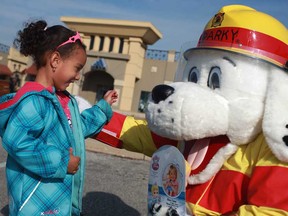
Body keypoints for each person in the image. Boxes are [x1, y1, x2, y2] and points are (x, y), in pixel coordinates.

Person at [0, 19, 118, 216]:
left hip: (56, 202)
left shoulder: (63, 100)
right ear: (55, 60)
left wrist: (102, 108)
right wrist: (62, 162)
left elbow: (77, 127)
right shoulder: (34, 102)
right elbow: (19, 143)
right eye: (77, 68)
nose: (78, 76)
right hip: (34, 206)